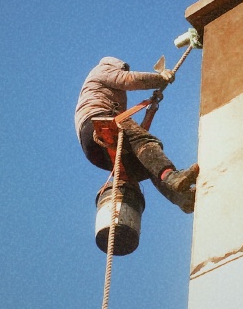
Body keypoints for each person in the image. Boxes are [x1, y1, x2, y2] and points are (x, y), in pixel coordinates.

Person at [75, 56, 199, 213]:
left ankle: (182, 197)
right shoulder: (102, 70)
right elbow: (128, 80)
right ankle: (172, 177)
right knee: (147, 142)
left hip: (96, 152)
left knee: (148, 162)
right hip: (99, 122)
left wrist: (151, 108)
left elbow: (134, 139)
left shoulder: (108, 94)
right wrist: (159, 79)